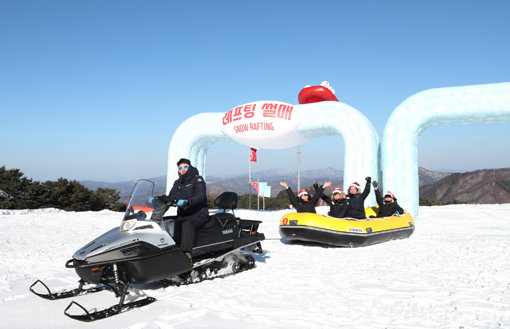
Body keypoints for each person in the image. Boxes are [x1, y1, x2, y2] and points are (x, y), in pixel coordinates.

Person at [157, 158, 208, 262]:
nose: (183, 169)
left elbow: (200, 195)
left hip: (198, 214)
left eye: (185, 167)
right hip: (183, 215)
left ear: (189, 167)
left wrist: (188, 201)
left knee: (187, 224)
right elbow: (170, 198)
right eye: (180, 168)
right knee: (168, 223)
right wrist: (159, 202)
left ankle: (186, 255)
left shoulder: (197, 179)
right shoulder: (177, 183)